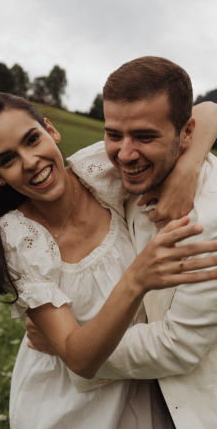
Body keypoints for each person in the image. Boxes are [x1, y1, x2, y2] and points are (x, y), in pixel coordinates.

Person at [0, 91, 217, 429]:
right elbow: (77, 357)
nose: (30, 161)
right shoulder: (19, 239)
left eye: (32, 139)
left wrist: (188, 167)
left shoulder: (100, 171)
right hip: (65, 404)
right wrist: (137, 278)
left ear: (51, 130)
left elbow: (207, 112)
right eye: (7, 159)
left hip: (143, 387)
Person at [27, 57, 217, 428]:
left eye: (145, 136)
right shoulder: (106, 168)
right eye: (113, 134)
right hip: (104, 404)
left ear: (187, 132)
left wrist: (73, 346)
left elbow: (178, 345)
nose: (125, 154)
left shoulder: (208, 223)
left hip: (188, 405)